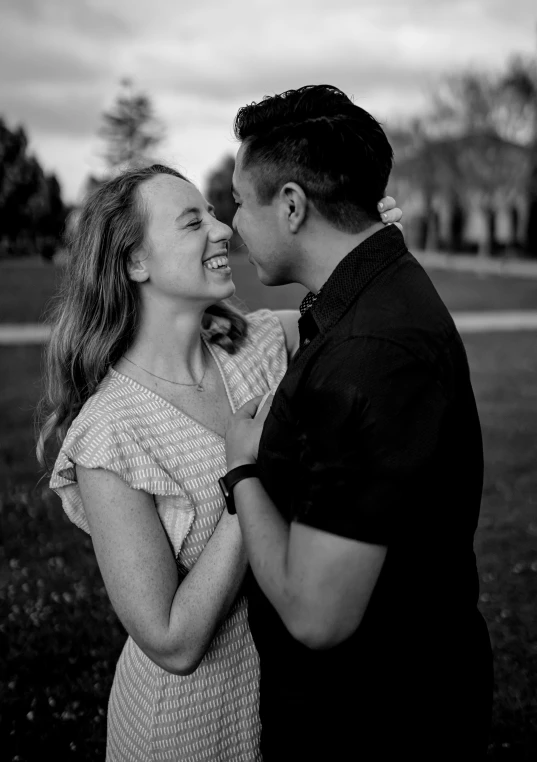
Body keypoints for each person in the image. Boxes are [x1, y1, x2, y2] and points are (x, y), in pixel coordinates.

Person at [38, 162, 402, 761]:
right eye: (192, 222)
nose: (223, 229)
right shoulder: (111, 434)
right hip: (183, 733)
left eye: (212, 212)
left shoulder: (259, 344)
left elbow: (350, 317)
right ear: (136, 263)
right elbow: (172, 643)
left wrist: (364, 242)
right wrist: (245, 477)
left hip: (288, 710)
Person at [224, 85, 493, 761]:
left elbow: (318, 617)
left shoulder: (366, 354)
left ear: (290, 205)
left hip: (368, 723)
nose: (229, 225)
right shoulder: (376, 290)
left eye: (237, 200)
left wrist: (243, 468)